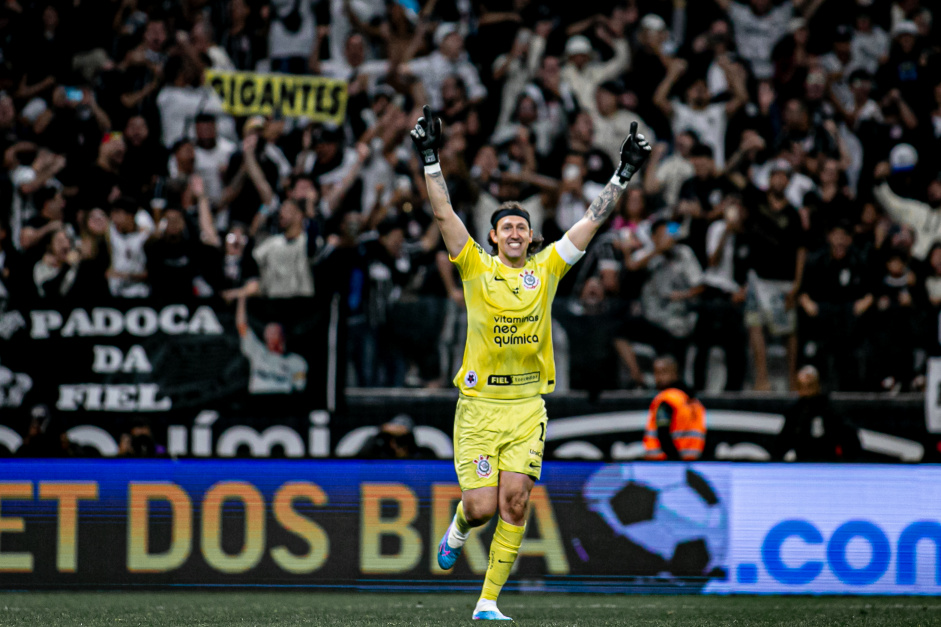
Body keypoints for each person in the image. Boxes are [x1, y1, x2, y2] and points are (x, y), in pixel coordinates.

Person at [411, 105, 650, 620]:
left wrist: (623, 173)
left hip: (524, 408)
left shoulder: (548, 269)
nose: (516, 231)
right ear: (494, 237)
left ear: (530, 236)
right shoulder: (474, 266)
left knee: (514, 502)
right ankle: (458, 526)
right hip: (477, 407)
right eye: (507, 227)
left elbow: (592, 218)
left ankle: (487, 603)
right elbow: (443, 214)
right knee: (479, 508)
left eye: (522, 225)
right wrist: (431, 158)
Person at [773, 365, 860, 461]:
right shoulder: (795, 411)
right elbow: (782, 442)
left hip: (828, 463)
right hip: (802, 463)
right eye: (801, 386)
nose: (806, 392)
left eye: (809, 386)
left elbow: (850, 438)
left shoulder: (830, 409)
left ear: (817, 385)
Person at [235, 293, 308, 395]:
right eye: (268, 333)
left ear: (282, 335)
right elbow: (241, 325)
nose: (270, 336)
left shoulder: (297, 362)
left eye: (274, 332)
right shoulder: (257, 351)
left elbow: (299, 388)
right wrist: (242, 297)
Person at [643, 355, 707, 461]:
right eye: (656, 373)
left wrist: (674, 461)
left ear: (675, 373)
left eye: (663, 372)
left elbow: (663, 434)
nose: (658, 378)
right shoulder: (693, 401)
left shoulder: (667, 399)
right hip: (691, 462)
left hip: (664, 464)